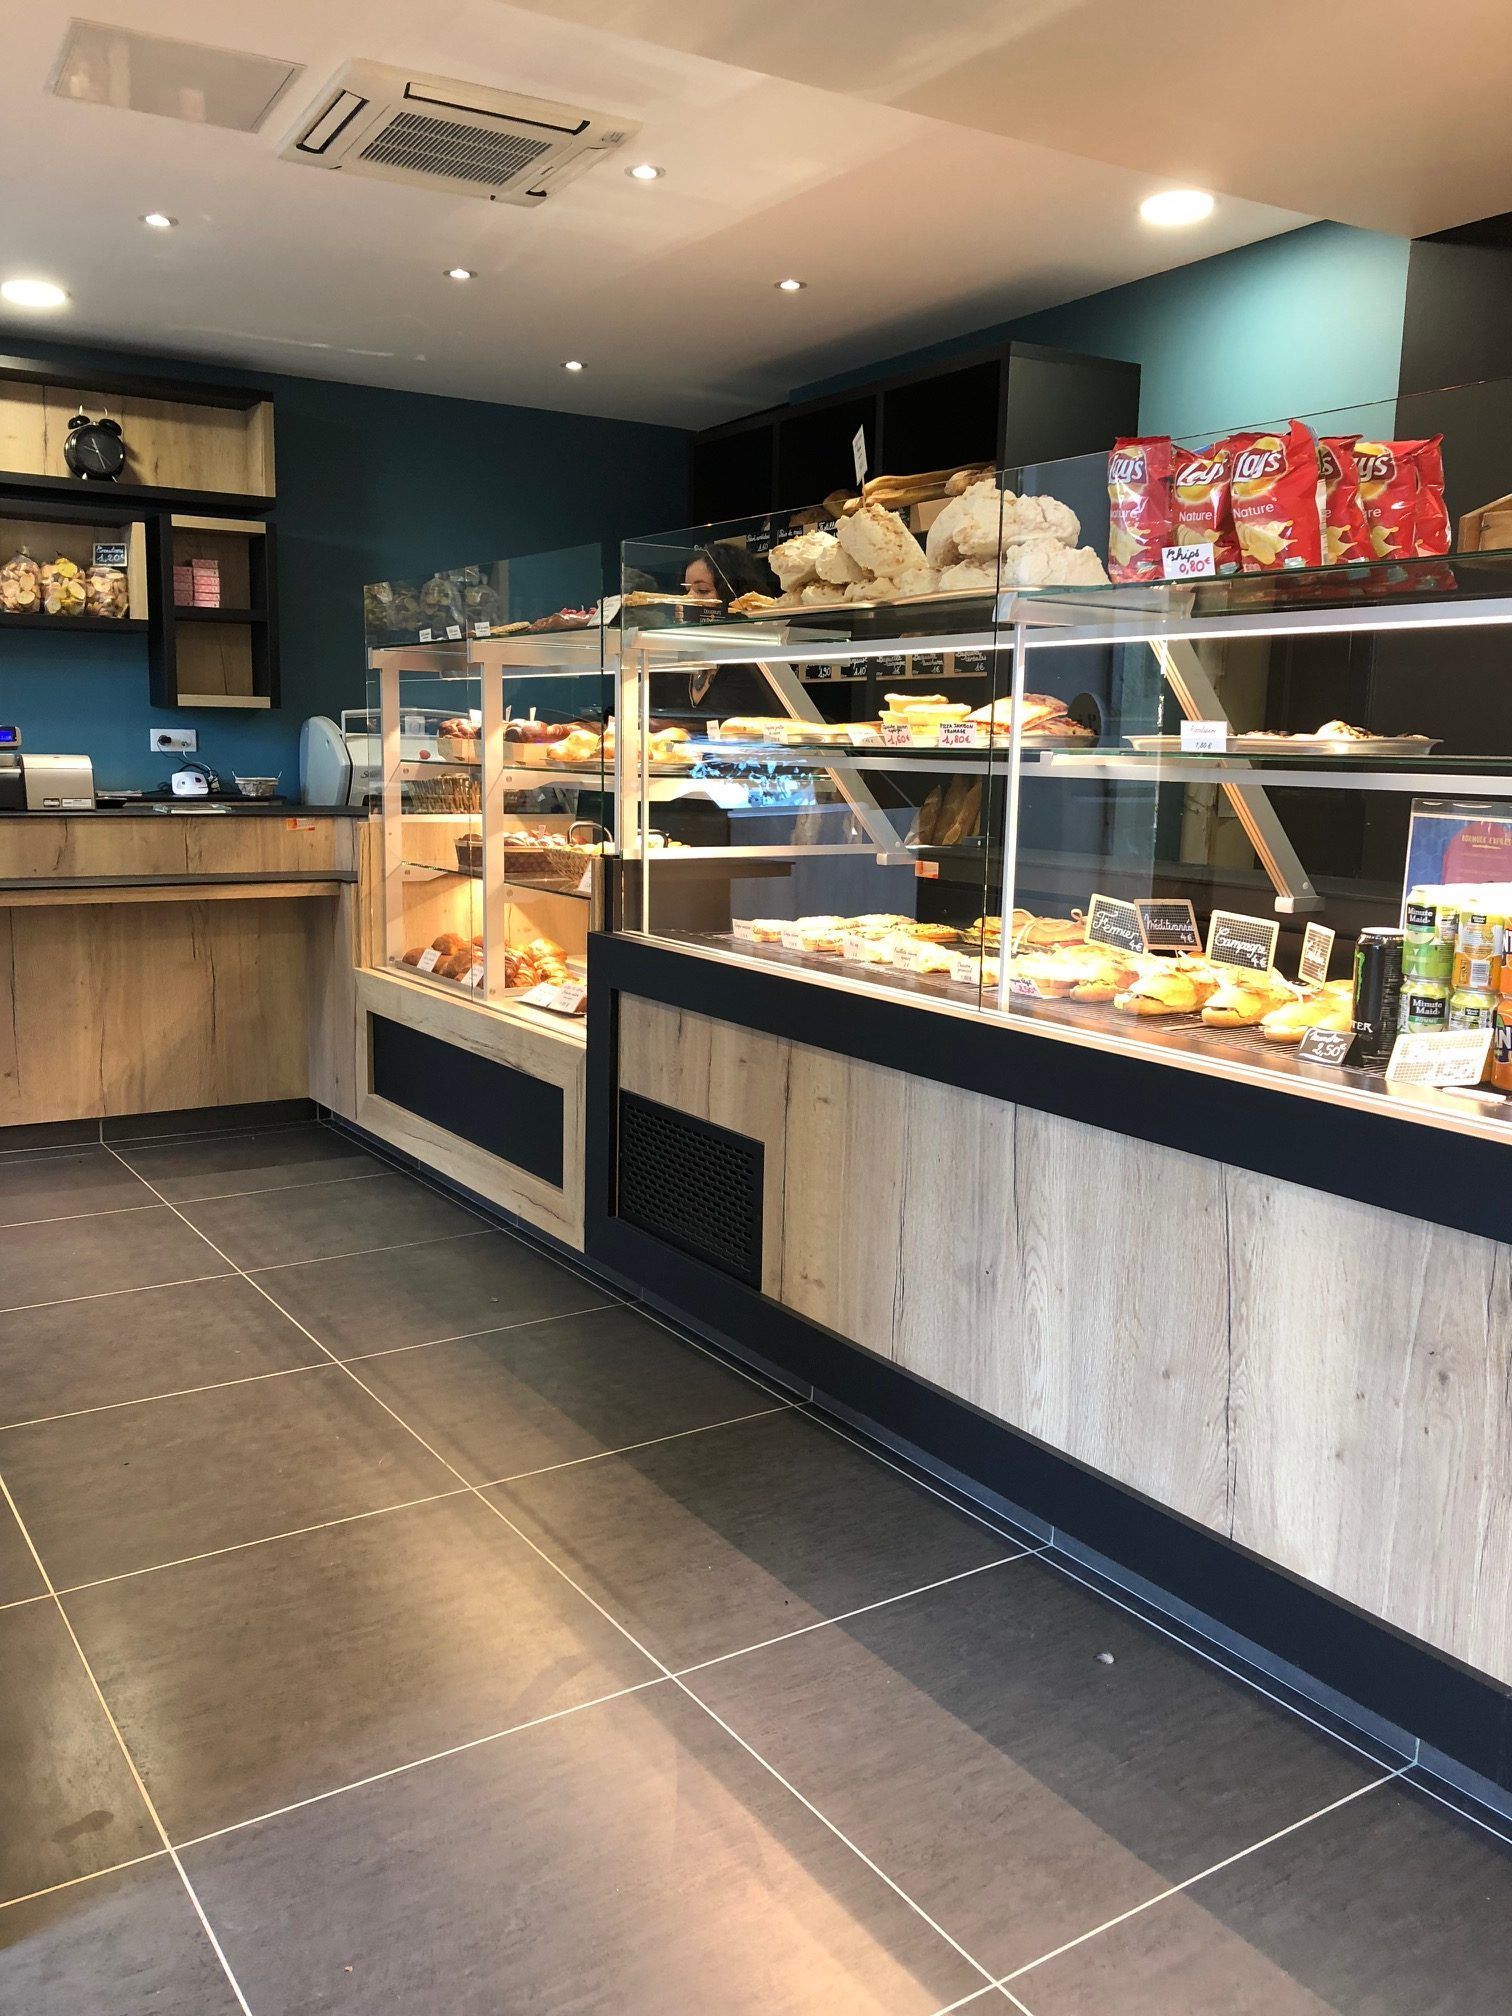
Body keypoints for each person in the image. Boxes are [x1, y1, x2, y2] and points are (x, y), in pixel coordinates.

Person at [680, 542, 779, 708]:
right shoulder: (678, 658)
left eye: (702, 590)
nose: (687, 599)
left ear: (735, 594)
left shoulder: (753, 664)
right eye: (686, 590)